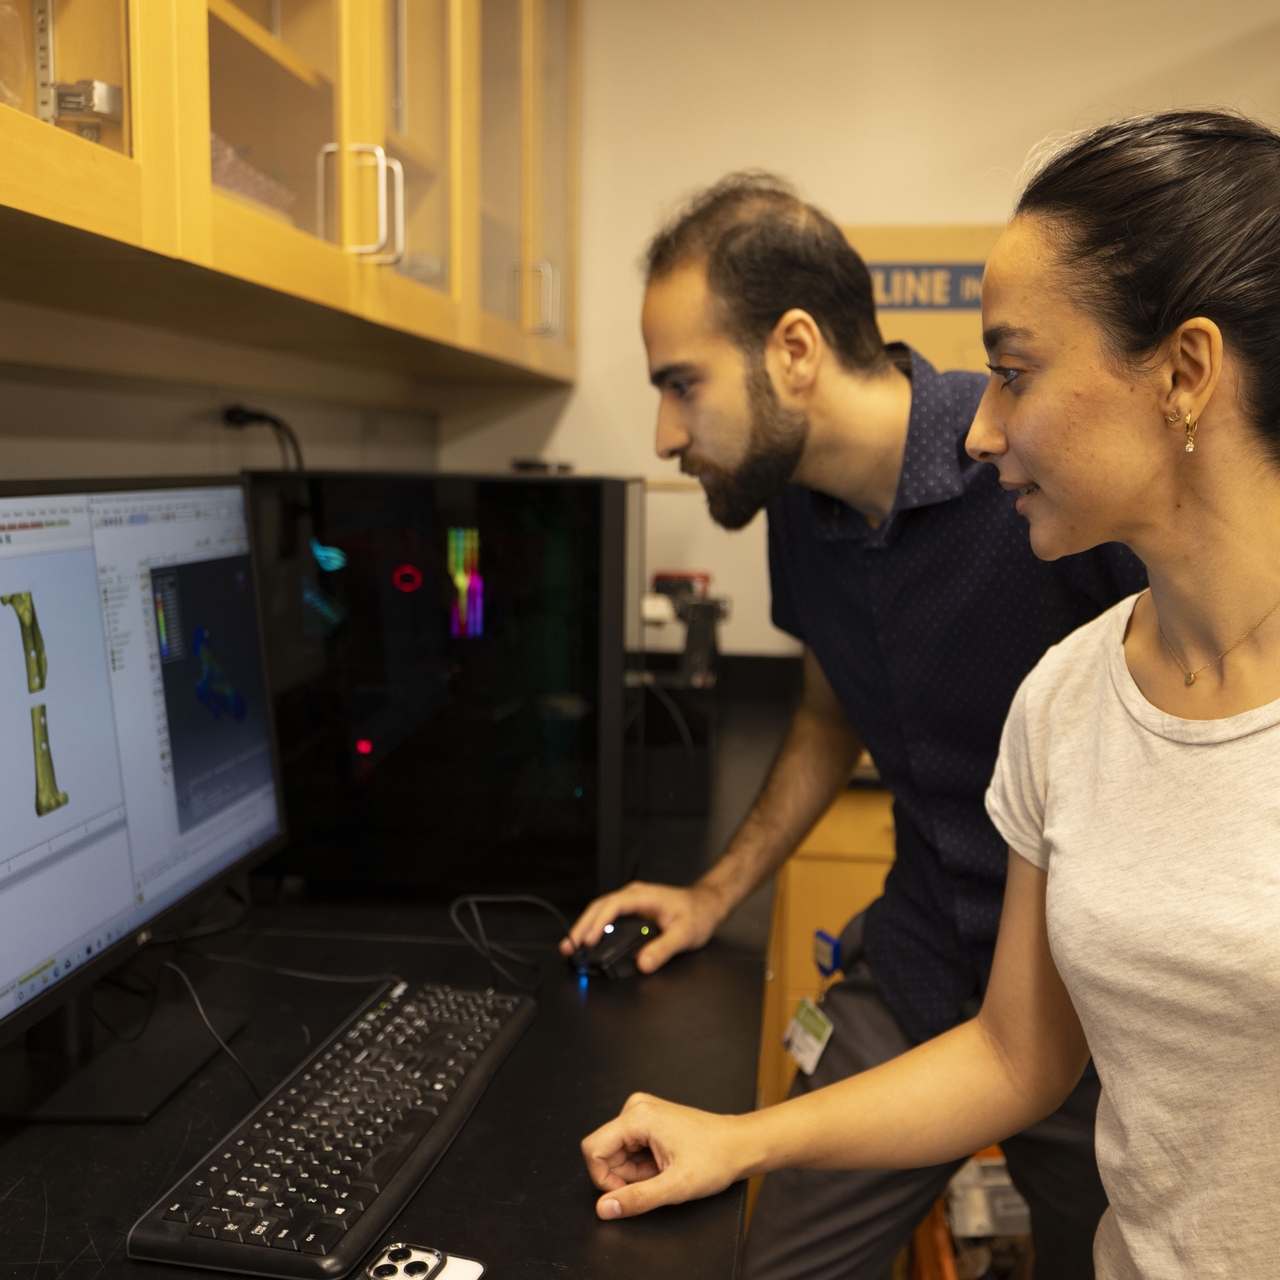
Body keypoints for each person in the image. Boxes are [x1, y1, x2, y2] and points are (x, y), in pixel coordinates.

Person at [580, 108, 1280, 1278]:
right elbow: (828, 716)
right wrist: (712, 901)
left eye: (680, 384)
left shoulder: (1063, 513)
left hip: (1102, 989)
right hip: (939, 953)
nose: (988, 429)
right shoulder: (1061, 687)